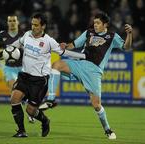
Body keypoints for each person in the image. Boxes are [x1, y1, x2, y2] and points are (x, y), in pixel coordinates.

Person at [40, 11, 133, 139]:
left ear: (105, 24)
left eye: (98, 23)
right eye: (94, 22)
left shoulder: (112, 36)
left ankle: (108, 129)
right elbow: (74, 44)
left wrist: (129, 34)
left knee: (96, 105)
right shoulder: (88, 33)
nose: (95, 25)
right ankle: (50, 99)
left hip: (94, 71)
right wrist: (65, 45)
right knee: (57, 65)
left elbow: (126, 47)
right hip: (80, 64)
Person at [7, 13, 85, 138]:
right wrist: (8, 50)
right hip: (24, 76)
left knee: (30, 111)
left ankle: (45, 121)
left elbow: (64, 52)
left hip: (39, 81)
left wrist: (83, 56)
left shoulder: (49, 41)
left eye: (36, 25)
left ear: (43, 26)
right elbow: (18, 43)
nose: (33, 27)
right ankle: (21, 131)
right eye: (32, 24)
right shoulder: (27, 35)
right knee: (14, 99)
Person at [0, 15, 36, 123]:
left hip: (23, 67)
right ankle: (25, 112)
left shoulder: (24, 35)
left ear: (18, 22)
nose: (12, 23)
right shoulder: (2, 35)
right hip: (9, 68)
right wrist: (0, 53)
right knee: (15, 89)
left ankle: (30, 112)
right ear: (7, 23)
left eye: (14, 21)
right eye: (10, 21)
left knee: (26, 92)